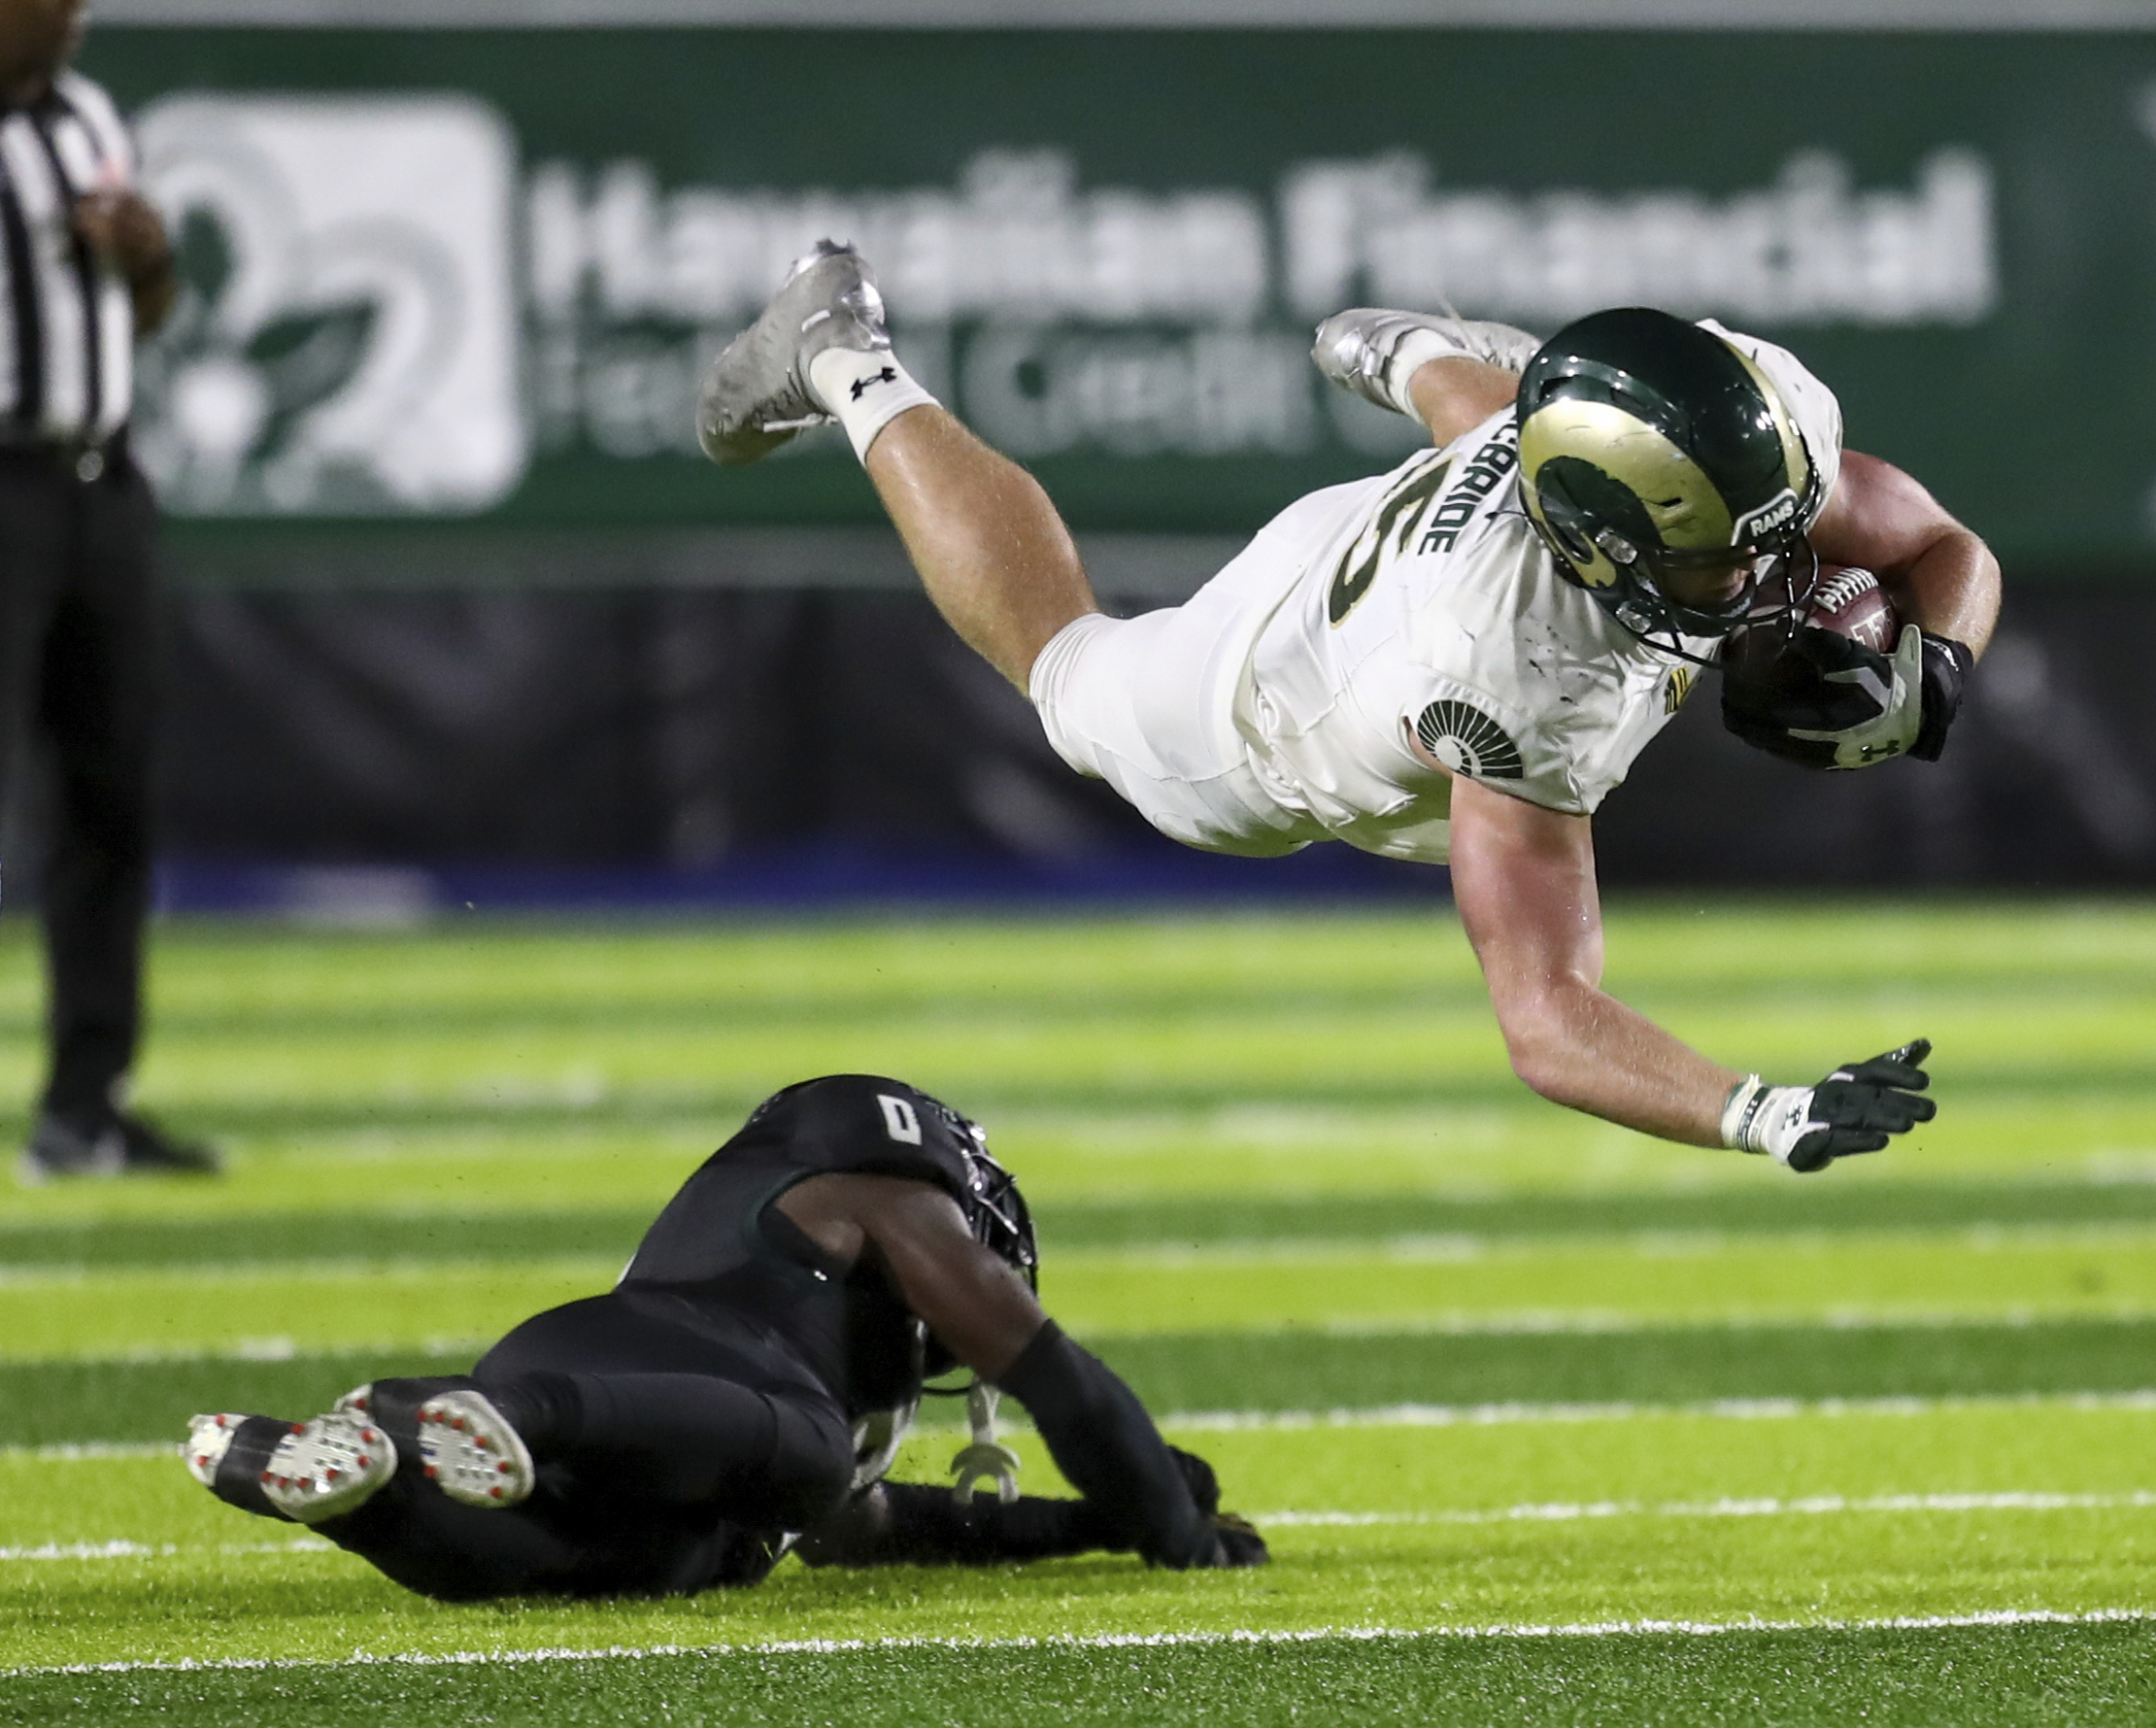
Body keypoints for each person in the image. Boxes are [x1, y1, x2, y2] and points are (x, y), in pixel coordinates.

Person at [699, 247, 1999, 1172]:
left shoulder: (1751, 427)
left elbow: (1946, 543)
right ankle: (846, 356)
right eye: (1732, 560)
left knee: (1492, 426)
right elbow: (1545, 1013)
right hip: (1266, 695)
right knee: (1067, 669)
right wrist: (1757, 1110)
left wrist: (1937, 665)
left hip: (1422, 516)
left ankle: (1421, 355)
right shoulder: (1511, 668)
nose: (1775, 577)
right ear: (1611, 551)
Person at [182, 1075, 1267, 1600]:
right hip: (588, 1389)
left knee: (680, 1562)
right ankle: (448, 1412)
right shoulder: (883, 1197)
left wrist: (1092, 1526)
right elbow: (1060, 1382)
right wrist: (1177, 1532)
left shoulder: (778, 1266)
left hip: (602, 1400)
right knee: (798, 1458)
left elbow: (863, 1525)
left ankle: (332, 1482)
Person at [0, 0, 213, 1183]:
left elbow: (147, 314)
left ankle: (85, 1105)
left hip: (100, 480)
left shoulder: (84, 116)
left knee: (108, 799)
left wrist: (145, 256)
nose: (73, 19)